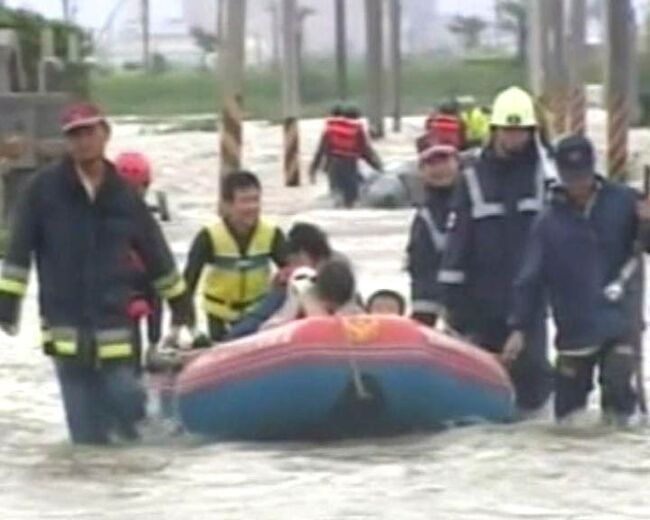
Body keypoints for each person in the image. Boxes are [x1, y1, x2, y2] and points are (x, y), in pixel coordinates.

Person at [0, 102, 191, 445]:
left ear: (105, 133)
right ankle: (93, 480)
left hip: (114, 317)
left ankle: (141, 461)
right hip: (64, 319)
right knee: (84, 433)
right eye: (74, 135)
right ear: (66, 142)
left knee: (126, 395)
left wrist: (180, 302)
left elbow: (154, 251)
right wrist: (8, 304)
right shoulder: (41, 190)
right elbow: (18, 250)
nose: (83, 141)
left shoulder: (124, 194)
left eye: (89, 132)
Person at [506, 135, 650, 424]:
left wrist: (647, 222)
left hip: (620, 321)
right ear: (558, 172)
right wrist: (519, 327)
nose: (578, 184)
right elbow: (530, 279)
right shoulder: (547, 222)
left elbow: (644, 248)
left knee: (619, 389)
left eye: (583, 175)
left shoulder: (624, 201)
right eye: (571, 177)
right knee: (568, 416)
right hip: (574, 328)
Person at [438, 86, 554, 415]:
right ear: (495, 131)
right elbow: (457, 244)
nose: (515, 138)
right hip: (481, 302)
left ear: (532, 132)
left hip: (530, 302)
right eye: (509, 130)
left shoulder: (544, 175)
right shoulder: (472, 176)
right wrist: (452, 305)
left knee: (533, 392)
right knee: (482, 394)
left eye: (521, 131)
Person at [184, 170, 287, 341]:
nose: (252, 207)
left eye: (256, 200)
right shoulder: (208, 237)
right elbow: (189, 282)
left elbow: (292, 273)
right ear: (227, 205)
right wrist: (188, 325)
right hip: (220, 315)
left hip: (257, 314)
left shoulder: (272, 234)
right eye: (245, 201)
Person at [225, 222, 333, 340]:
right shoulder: (336, 281)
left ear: (302, 255)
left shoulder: (292, 283)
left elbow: (251, 325)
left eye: (294, 262)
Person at [114, 151, 163, 372]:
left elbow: (161, 269)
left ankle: (152, 347)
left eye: (141, 188)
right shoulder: (104, 222)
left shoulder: (147, 223)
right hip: (114, 302)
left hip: (145, 289)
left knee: (157, 293)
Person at [407, 142, 460, 327]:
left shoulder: (473, 204)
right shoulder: (424, 218)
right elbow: (420, 268)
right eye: (431, 164)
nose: (439, 169)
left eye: (444, 161)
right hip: (439, 301)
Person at [309, 103, 383, 208]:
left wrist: (313, 169)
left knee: (336, 194)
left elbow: (321, 150)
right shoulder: (356, 129)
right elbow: (365, 151)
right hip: (350, 165)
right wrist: (378, 167)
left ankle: (337, 210)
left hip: (333, 165)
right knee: (351, 199)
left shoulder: (331, 128)